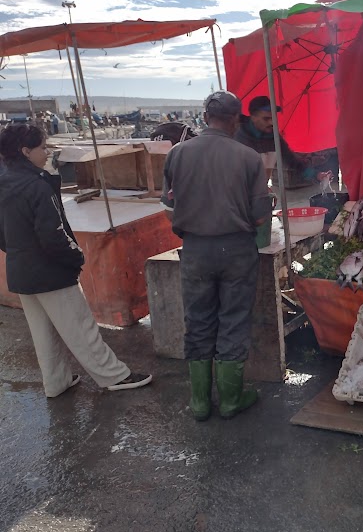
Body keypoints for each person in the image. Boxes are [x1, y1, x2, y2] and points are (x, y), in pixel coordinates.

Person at [0, 123, 152, 397]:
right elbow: (53, 234)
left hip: (21, 270)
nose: (47, 153)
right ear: (25, 151)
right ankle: (114, 376)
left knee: (43, 333)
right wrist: (75, 257)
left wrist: (18, 252)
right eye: (42, 148)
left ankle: (56, 382)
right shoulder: (37, 185)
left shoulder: (5, 182)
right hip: (50, 271)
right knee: (81, 327)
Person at [161, 91, 273, 421]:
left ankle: (198, 402)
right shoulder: (249, 157)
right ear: (236, 119)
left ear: (204, 116)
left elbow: (168, 206)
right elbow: (260, 217)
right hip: (237, 250)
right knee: (233, 321)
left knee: (198, 321)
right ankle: (230, 400)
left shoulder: (177, 153)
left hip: (195, 250)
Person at [235, 95, 332, 184]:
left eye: (273, 117)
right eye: (266, 119)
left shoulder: (273, 137)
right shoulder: (238, 138)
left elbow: (292, 161)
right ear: (253, 118)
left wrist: (316, 175)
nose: (271, 122)